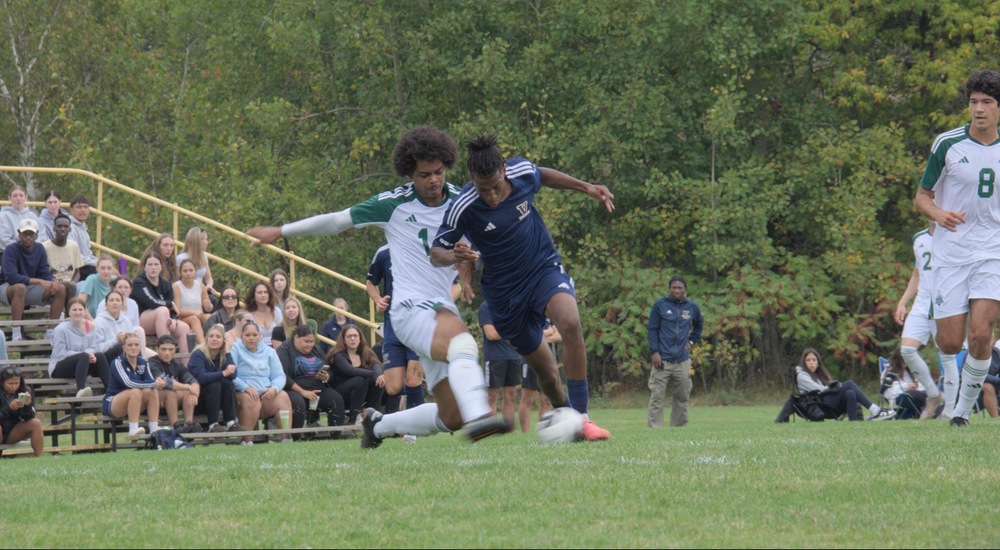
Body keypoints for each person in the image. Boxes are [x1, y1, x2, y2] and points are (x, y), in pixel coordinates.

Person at [248, 125, 506, 448]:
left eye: (439, 172)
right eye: (424, 174)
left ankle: (377, 425)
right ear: (409, 173)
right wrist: (281, 230)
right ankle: (480, 414)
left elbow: (481, 243)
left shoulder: (462, 202)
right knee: (464, 344)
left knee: (451, 416)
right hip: (409, 309)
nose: (433, 180)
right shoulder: (392, 204)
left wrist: (470, 265)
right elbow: (337, 220)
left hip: (440, 310)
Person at [430, 133, 613, 441]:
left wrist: (587, 187)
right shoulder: (463, 205)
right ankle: (566, 417)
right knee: (547, 375)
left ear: (504, 169)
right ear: (471, 179)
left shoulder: (522, 172)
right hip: (504, 296)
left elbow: (544, 175)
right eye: (482, 188)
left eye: (496, 187)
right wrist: (455, 255)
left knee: (569, 322)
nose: (490, 196)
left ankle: (582, 418)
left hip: (542, 269)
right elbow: (436, 252)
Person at [914, 69, 1000, 427]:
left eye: (986, 103)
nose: (978, 109)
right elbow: (922, 196)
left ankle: (962, 412)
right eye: (973, 102)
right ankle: (956, 394)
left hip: (992, 252)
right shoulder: (947, 143)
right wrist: (938, 214)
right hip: (950, 254)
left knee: (981, 333)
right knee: (950, 342)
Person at [893, 223, 946, 420]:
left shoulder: (954, 233)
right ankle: (933, 395)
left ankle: (952, 408)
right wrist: (902, 302)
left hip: (946, 303)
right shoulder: (919, 238)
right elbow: (917, 274)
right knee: (906, 350)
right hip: (922, 303)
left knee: (949, 356)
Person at [645, 276, 703, 428]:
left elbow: (699, 326)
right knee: (657, 396)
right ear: (669, 289)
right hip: (662, 359)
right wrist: (654, 352)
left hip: (682, 360)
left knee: (682, 396)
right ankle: (655, 429)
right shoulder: (660, 305)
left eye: (680, 288)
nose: (677, 290)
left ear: (685, 289)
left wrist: (691, 341)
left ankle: (678, 429)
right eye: (674, 287)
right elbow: (652, 330)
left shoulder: (692, 307)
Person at [1, 218, 66, 341]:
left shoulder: (40, 249)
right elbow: (11, 277)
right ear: (19, 234)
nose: (28, 237)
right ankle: (16, 333)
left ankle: (51, 332)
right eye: (25, 233)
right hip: (7, 287)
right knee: (20, 287)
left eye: (31, 234)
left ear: (36, 235)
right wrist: (40, 281)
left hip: (28, 288)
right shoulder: (10, 249)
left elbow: (44, 272)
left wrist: (53, 281)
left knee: (61, 289)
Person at [230, 320, 293, 445]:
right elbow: (231, 375)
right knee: (251, 400)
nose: (251, 338)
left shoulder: (270, 351)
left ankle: (286, 439)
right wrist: (246, 388)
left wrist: (274, 388)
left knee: (283, 397)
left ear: (260, 336)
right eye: (247, 335)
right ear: (241, 336)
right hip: (244, 392)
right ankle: (247, 441)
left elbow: (279, 375)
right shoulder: (235, 349)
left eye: (254, 335)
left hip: (266, 393)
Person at [276, 324, 345, 435]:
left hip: (318, 389)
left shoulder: (317, 350)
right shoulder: (284, 350)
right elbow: (283, 376)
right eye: (306, 341)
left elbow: (331, 371)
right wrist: (303, 392)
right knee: (298, 403)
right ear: (296, 338)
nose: (310, 345)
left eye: (312, 341)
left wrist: (327, 376)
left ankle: (335, 437)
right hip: (294, 390)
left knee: (336, 399)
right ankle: (295, 438)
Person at [796, 348, 895, 421]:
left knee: (850, 393)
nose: (811, 363)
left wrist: (832, 387)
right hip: (818, 405)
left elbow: (825, 388)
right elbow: (819, 390)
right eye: (808, 360)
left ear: (818, 362)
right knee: (849, 384)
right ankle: (875, 410)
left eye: (814, 360)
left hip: (827, 402)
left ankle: (854, 424)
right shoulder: (802, 375)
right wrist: (833, 388)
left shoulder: (820, 375)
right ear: (803, 362)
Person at [104, 333, 164, 441]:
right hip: (113, 402)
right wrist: (152, 384)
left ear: (140, 347)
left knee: (152, 391)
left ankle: (154, 429)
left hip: (135, 402)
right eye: (130, 345)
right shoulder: (117, 362)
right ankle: (133, 430)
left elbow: (150, 381)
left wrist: (157, 382)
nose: (133, 348)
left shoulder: (143, 362)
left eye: (136, 345)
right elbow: (128, 383)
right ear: (124, 348)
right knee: (135, 391)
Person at [131, 252, 192, 357]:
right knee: (162, 310)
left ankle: (185, 367)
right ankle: (165, 356)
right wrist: (169, 304)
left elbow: (172, 309)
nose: (153, 268)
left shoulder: (166, 284)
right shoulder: (139, 282)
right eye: (150, 265)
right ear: (145, 267)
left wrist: (173, 320)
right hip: (142, 320)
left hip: (163, 320)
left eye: (156, 264)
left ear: (161, 267)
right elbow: (151, 302)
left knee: (184, 328)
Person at [48, 298, 110, 398]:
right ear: (69, 312)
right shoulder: (61, 329)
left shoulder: (90, 326)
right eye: (74, 310)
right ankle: (80, 390)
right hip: (60, 367)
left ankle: (110, 390)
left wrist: (91, 355)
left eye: (80, 310)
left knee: (100, 356)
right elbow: (60, 354)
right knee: (83, 356)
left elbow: (93, 346)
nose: (78, 312)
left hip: (82, 366)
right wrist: (83, 355)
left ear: (85, 311)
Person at [187, 324, 244, 433]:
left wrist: (227, 353)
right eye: (211, 336)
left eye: (218, 337)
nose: (214, 339)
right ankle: (213, 424)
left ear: (223, 341)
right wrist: (223, 373)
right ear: (206, 339)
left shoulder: (223, 355)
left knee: (228, 383)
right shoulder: (198, 354)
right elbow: (202, 378)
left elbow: (233, 374)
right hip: (198, 400)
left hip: (218, 399)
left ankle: (230, 422)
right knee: (215, 384)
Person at [328, 325, 385, 424]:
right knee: (359, 380)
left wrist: (378, 374)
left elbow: (376, 363)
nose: (353, 339)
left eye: (355, 336)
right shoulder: (339, 355)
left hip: (361, 394)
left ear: (360, 339)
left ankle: (372, 416)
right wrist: (373, 374)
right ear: (344, 340)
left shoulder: (365, 352)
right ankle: (355, 419)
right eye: (349, 336)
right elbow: (350, 370)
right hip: (341, 395)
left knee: (378, 381)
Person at [479, 301, 520, 427]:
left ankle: (509, 429)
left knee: (511, 395)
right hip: (494, 357)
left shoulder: (512, 306)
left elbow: (520, 329)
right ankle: (491, 428)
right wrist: (510, 330)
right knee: (492, 396)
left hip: (513, 355)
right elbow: (491, 334)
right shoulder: (486, 307)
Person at [148, 335, 201, 432]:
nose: (167, 353)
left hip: (171, 403)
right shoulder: (152, 362)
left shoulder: (176, 364)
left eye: (170, 349)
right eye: (163, 349)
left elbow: (193, 380)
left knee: (188, 392)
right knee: (171, 392)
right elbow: (165, 382)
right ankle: (175, 426)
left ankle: (188, 424)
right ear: (157, 349)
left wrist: (193, 391)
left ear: (175, 350)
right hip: (154, 403)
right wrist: (189, 387)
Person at [519, 322, 559, 432]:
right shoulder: (527, 313)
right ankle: (525, 433)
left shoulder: (548, 315)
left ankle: (544, 431)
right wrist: (549, 332)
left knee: (546, 400)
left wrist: (539, 341)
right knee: (528, 398)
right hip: (529, 359)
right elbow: (527, 335)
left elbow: (559, 335)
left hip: (546, 361)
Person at [94, 290, 153, 365]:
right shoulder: (98, 322)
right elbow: (97, 349)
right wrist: (115, 339)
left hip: (124, 355)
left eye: (118, 300)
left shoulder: (126, 321)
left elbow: (132, 342)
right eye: (111, 300)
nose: (115, 303)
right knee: (120, 346)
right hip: (104, 359)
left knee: (133, 344)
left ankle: (139, 367)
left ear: (122, 304)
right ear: (106, 305)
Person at [0, 366, 43, 457]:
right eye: (10, 383)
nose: (14, 386)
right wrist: (9, 408)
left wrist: (27, 405)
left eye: (16, 383)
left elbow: (29, 417)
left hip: (13, 431)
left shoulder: (25, 391)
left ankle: (39, 457)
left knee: (35, 423)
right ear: (2, 382)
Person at [41, 214, 83, 296]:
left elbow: (77, 272)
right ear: (54, 228)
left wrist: (73, 282)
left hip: (71, 283)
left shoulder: (74, 246)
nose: (62, 229)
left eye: (65, 226)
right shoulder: (44, 247)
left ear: (70, 229)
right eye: (59, 226)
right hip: (52, 283)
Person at [173, 258, 212, 345]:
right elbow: (177, 310)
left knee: (209, 317)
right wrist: (194, 312)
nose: (188, 273)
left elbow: (208, 307)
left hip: (199, 315)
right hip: (183, 318)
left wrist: (208, 306)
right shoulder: (176, 286)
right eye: (185, 271)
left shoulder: (200, 285)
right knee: (194, 319)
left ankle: (213, 342)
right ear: (180, 272)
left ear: (195, 271)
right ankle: (203, 346)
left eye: (191, 270)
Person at [881, 348, 927, 419]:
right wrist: (907, 385)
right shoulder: (890, 372)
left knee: (929, 392)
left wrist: (917, 385)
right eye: (903, 361)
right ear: (898, 360)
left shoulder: (910, 370)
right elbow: (887, 392)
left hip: (917, 395)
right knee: (927, 396)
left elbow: (920, 384)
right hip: (902, 397)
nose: (906, 364)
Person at [176, 227, 216, 295]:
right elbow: (176, 280)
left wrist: (209, 285)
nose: (207, 242)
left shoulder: (203, 256)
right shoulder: (181, 258)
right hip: (186, 292)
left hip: (201, 291)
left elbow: (209, 278)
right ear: (199, 241)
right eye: (206, 239)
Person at [67, 195, 97, 280]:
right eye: (79, 207)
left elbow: (87, 253)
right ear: (71, 210)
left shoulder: (83, 228)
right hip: (77, 268)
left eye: (85, 207)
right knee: (106, 274)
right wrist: (97, 263)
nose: (83, 210)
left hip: (85, 265)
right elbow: (75, 256)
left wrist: (100, 262)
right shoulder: (70, 228)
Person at [76, 254, 115, 319]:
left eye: (109, 268)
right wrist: (93, 322)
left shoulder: (115, 280)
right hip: (91, 319)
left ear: (113, 269)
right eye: (102, 268)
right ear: (97, 268)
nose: (106, 271)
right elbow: (80, 302)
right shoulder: (92, 279)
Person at [0, 185, 39, 249]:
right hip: (11, 253)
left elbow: (41, 236)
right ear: (9, 198)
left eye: (21, 195)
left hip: (31, 252)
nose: (18, 198)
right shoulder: (3, 216)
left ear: (26, 198)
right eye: (15, 196)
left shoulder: (32, 216)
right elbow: (4, 240)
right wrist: (21, 249)